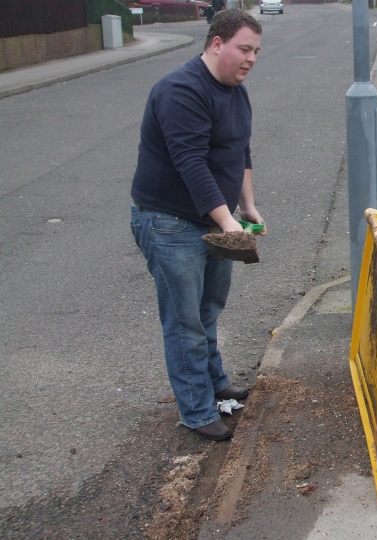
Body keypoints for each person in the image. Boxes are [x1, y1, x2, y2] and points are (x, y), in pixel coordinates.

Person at [130, 10, 265, 441]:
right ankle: (197, 411)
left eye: (256, 52)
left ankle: (215, 383)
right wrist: (227, 221)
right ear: (216, 44)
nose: (251, 59)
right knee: (184, 320)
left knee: (208, 309)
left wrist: (246, 207)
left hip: (215, 217)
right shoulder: (180, 90)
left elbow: (239, 150)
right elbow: (191, 163)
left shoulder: (236, 91)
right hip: (169, 221)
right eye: (244, 49)